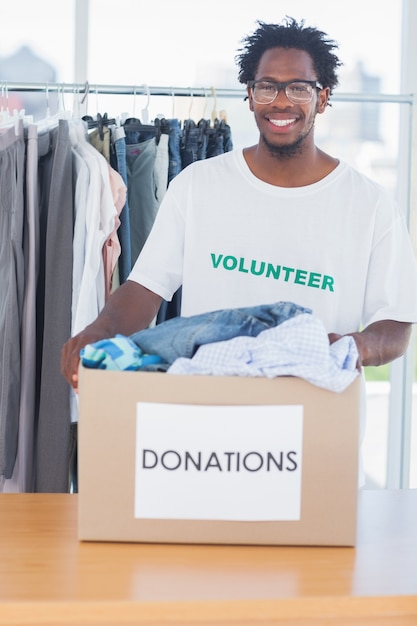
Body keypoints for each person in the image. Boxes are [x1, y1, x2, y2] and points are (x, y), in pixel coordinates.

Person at [61, 16, 417, 392]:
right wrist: (98, 331)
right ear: (249, 95)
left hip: (314, 423)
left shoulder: (371, 204)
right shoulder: (197, 185)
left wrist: (353, 346)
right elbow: (146, 289)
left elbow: (395, 326)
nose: (280, 102)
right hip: (206, 420)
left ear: (323, 96)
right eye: (267, 87)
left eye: (298, 88)